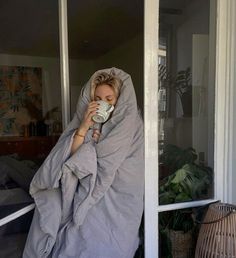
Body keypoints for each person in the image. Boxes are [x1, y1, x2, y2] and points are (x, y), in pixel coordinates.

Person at [23, 67, 144, 258]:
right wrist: (84, 127)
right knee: (78, 239)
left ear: (119, 100)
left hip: (119, 190)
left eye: (109, 99)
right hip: (86, 191)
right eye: (97, 99)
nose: (102, 103)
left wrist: (95, 147)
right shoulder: (88, 121)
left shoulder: (130, 122)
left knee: (114, 241)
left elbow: (110, 158)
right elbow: (68, 156)